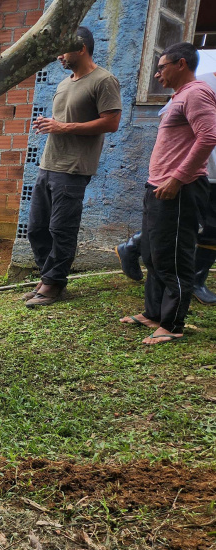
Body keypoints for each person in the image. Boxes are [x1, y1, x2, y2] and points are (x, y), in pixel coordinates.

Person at [118, 42, 216, 344]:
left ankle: (172, 324)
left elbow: (209, 136)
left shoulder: (197, 93)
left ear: (181, 63)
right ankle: (153, 313)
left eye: (162, 67)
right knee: (152, 252)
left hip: (180, 189)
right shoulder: (179, 97)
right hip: (158, 186)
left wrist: (177, 178)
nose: (158, 74)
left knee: (174, 256)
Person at [24, 26, 122, 307]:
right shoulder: (64, 83)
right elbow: (62, 122)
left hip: (74, 168)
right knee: (36, 229)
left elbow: (111, 123)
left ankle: (54, 285)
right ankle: (48, 278)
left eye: (64, 50)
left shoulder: (104, 80)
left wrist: (63, 127)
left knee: (61, 230)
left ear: (82, 49)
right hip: (49, 163)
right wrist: (51, 125)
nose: (59, 56)